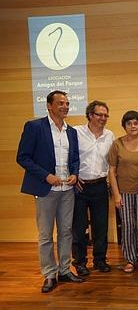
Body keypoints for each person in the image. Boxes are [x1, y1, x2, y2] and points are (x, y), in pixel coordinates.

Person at [16, 90, 85, 293]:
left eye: (67, 103)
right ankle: (49, 274)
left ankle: (64, 270)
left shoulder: (71, 131)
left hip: (67, 189)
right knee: (46, 235)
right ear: (49, 105)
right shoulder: (34, 127)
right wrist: (46, 176)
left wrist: (74, 173)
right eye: (60, 103)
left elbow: (74, 158)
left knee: (66, 232)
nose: (65, 106)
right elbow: (23, 157)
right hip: (45, 189)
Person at [72, 100, 115, 276]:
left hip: (99, 186)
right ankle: (80, 262)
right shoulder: (75, 132)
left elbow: (112, 163)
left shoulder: (110, 135)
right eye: (99, 114)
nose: (103, 118)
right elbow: (68, 156)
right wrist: (72, 176)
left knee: (101, 227)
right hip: (79, 186)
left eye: (106, 115)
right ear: (90, 115)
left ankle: (100, 260)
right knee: (79, 228)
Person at [108, 110, 138, 273]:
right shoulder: (117, 144)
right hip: (124, 192)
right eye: (129, 123)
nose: (133, 126)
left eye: (136, 123)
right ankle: (129, 259)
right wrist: (116, 194)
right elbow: (111, 171)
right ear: (124, 126)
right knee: (127, 225)